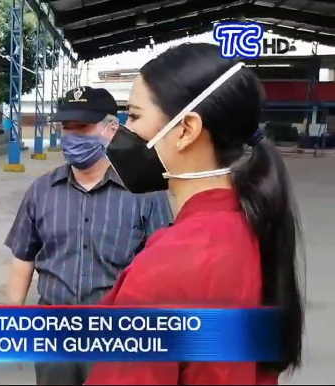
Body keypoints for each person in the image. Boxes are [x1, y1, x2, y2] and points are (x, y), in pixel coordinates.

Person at [85, 43, 304, 384]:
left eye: (135, 115)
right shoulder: (251, 225)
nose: (123, 130)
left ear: (186, 129)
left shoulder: (169, 266)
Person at [5, 86, 173, 385]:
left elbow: (166, 271)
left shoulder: (145, 193)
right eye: (66, 128)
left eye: (82, 127)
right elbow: (23, 258)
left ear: (111, 129)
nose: (72, 137)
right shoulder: (41, 191)